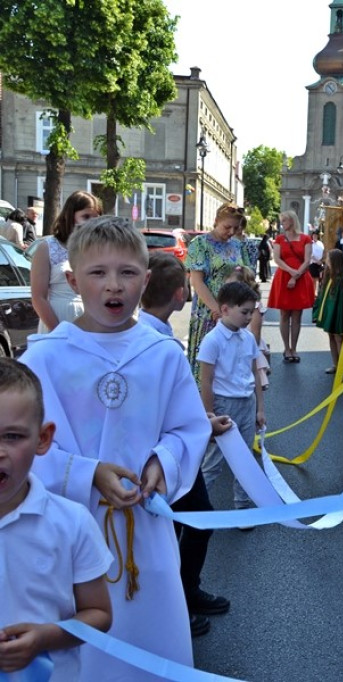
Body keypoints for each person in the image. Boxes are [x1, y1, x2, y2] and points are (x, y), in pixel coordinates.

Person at [21, 216, 210, 681]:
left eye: (127, 273)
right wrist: (88, 474)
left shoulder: (161, 353)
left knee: (151, 648)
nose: (113, 286)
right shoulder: (45, 357)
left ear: (146, 280)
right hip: (68, 531)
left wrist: (160, 464)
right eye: (98, 273)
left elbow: (187, 428)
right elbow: (21, 443)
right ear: (72, 280)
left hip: (144, 528)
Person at [0, 358, 114, 679]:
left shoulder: (71, 523)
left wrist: (44, 638)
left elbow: (100, 613)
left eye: (12, 436)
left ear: (43, 438)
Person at [139, 252, 232, 637]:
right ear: (180, 295)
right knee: (184, 525)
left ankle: (185, 591)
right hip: (164, 456)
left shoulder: (156, 335)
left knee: (197, 521)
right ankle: (174, 601)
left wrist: (202, 422)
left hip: (177, 447)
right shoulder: (152, 343)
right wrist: (201, 425)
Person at [197, 281, 265, 519]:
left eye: (251, 312)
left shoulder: (248, 339)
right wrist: (209, 414)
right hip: (223, 405)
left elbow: (255, 373)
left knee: (244, 457)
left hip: (246, 403)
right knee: (214, 461)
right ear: (225, 309)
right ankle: (198, 507)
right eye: (244, 312)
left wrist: (259, 408)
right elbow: (206, 380)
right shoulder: (212, 341)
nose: (249, 317)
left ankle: (242, 506)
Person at [184, 202, 249, 380]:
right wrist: (218, 311)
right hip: (209, 313)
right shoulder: (200, 244)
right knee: (207, 363)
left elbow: (244, 275)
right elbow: (196, 281)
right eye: (227, 227)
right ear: (216, 221)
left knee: (230, 364)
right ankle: (203, 405)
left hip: (234, 312)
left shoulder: (237, 245)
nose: (230, 232)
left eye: (235, 228)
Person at [30, 191, 102, 333]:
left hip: (92, 321)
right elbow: (38, 297)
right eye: (86, 217)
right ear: (70, 216)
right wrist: (57, 331)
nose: (91, 223)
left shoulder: (98, 249)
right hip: (57, 318)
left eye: (96, 218)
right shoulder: (47, 247)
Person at [268, 210, 315, 363]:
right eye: (281, 221)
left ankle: (294, 347)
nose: (282, 224)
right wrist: (291, 272)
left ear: (292, 221)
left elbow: (307, 260)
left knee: (297, 316)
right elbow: (277, 259)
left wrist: (296, 275)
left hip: (300, 278)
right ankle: (286, 347)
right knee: (284, 314)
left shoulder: (306, 238)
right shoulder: (280, 239)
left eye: (284, 221)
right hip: (284, 277)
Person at [313, 249, 343, 375]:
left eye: (329, 260)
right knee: (331, 336)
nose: (327, 262)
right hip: (330, 312)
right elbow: (323, 296)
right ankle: (336, 364)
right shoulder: (329, 276)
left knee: (339, 338)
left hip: (341, 313)